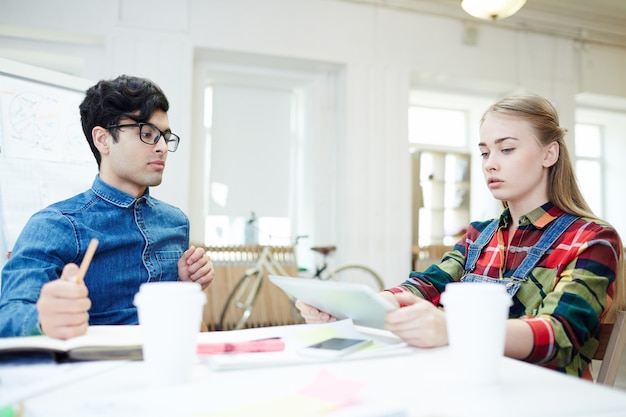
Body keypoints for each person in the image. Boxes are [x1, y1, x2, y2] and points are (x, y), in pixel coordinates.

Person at [296, 93, 625, 379]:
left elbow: (559, 336)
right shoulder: (479, 235)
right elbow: (426, 286)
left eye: (506, 149)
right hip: (467, 385)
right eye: (484, 153)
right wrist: (351, 308)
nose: (490, 164)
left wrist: (452, 328)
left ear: (549, 154)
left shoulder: (593, 239)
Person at [0, 75, 215, 339]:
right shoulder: (55, 224)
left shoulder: (176, 222)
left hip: (167, 371)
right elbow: (8, 315)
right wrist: (43, 319)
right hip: (92, 375)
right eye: (147, 133)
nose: (161, 147)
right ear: (102, 139)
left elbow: (195, 334)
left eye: (165, 137)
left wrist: (187, 290)